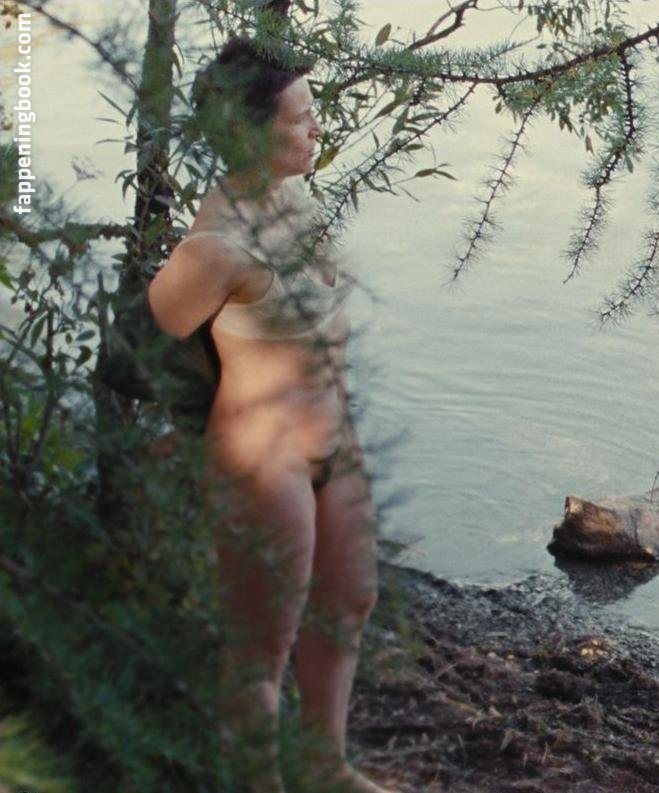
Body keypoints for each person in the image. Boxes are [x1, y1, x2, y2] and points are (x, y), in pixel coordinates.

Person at [145, 37, 390, 793]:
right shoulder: (215, 248)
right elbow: (151, 343)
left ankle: (324, 764)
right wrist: (183, 433)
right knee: (262, 642)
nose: (318, 128)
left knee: (349, 598)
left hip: (334, 439)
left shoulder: (299, 200)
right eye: (300, 117)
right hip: (261, 455)